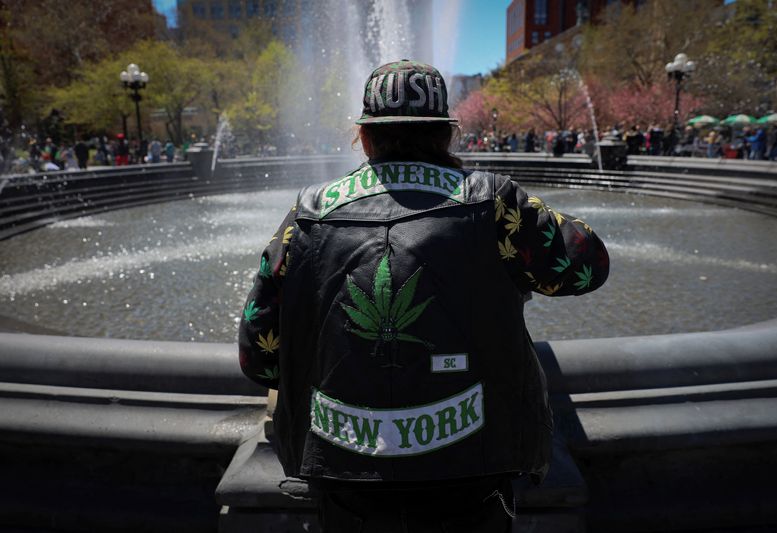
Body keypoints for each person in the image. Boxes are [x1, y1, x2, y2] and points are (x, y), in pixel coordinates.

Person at [238, 60, 609, 532]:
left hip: (344, 468)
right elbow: (587, 267)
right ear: (446, 135)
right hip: (471, 465)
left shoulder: (308, 212)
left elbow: (258, 354)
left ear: (365, 137)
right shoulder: (493, 201)